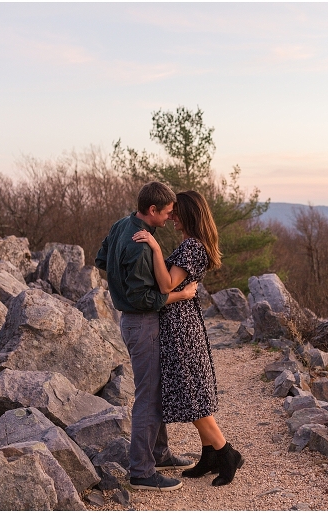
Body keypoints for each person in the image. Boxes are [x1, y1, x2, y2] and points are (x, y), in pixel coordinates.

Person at [132, 190, 244, 487]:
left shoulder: (192, 247)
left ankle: (226, 453)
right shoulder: (191, 245)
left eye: (176, 211)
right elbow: (173, 286)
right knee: (190, 392)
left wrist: (156, 248)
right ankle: (209, 455)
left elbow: (167, 283)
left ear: (189, 213)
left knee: (192, 394)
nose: (171, 216)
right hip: (179, 325)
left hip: (182, 330)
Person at [95, 181, 197, 492]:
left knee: (155, 389)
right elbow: (143, 299)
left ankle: (160, 453)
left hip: (134, 322)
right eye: (166, 213)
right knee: (149, 396)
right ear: (152, 210)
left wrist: (122, 280)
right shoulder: (140, 244)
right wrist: (180, 296)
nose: (169, 218)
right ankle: (141, 470)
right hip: (141, 322)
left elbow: (101, 260)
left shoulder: (121, 224)